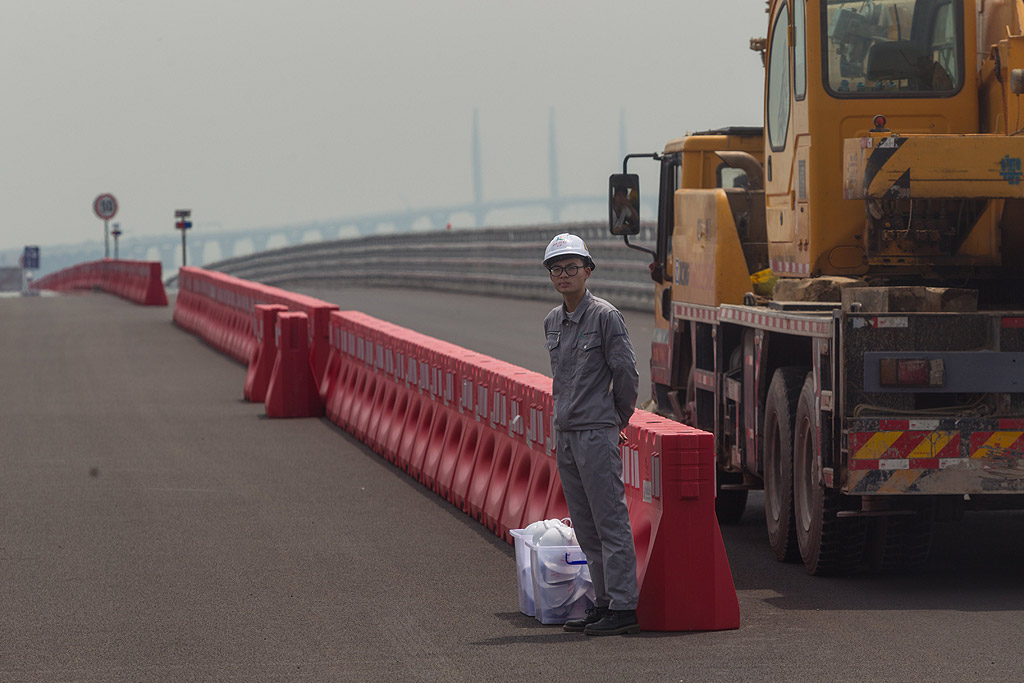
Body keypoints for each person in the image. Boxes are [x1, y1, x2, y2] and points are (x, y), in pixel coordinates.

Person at [541, 232, 640, 636]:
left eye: (571, 267)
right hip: (566, 434)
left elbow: (626, 372)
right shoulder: (552, 321)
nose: (563, 274)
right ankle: (603, 602)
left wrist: (616, 420)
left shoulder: (605, 316)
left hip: (597, 433)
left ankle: (624, 607)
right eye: (556, 269)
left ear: (588, 270)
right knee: (585, 526)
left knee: (610, 521)